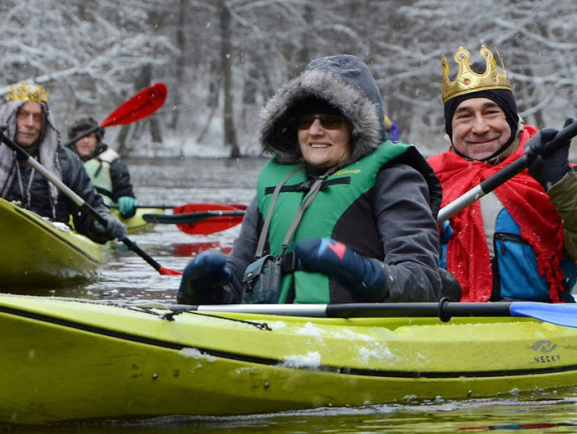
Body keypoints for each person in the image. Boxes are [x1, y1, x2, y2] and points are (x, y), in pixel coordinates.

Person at [177, 54, 451, 306]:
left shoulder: (394, 178)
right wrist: (201, 291)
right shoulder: (276, 184)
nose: (315, 131)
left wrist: (363, 272)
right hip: (273, 328)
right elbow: (239, 280)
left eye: (331, 121)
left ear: (356, 129)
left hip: (358, 331)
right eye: (305, 121)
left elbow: (422, 280)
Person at [428, 45, 577, 303]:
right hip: (446, 322)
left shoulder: (548, 169)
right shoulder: (428, 180)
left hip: (537, 322)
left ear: (511, 120)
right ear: (450, 129)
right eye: (464, 117)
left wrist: (561, 182)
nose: (479, 127)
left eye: (491, 112)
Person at [0, 81, 126, 244]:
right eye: (22, 115)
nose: (30, 123)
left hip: (49, 244)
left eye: (37, 117)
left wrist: (103, 223)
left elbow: (88, 214)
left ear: (45, 122)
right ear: (9, 117)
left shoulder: (66, 161)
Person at [66, 116, 139, 218]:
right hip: (70, 211)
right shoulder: (62, 161)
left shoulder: (113, 162)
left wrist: (125, 197)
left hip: (104, 212)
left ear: (97, 140)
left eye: (90, 136)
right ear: (74, 140)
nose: (85, 141)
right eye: (81, 136)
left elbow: (123, 188)